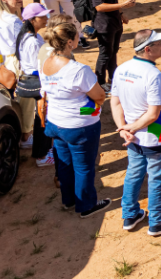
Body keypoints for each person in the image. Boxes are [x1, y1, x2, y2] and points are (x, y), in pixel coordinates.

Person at [111, 29, 161, 236]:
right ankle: (157, 222)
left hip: (134, 136)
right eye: (160, 43)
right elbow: (153, 114)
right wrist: (129, 129)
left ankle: (130, 215)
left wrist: (123, 128)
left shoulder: (122, 69)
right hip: (156, 135)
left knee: (134, 173)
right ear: (148, 49)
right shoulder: (154, 75)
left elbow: (115, 103)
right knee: (157, 178)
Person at [41, 18, 111, 217]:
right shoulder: (79, 70)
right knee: (84, 168)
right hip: (78, 125)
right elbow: (99, 96)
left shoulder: (46, 63)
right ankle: (86, 205)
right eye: (76, 35)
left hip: (55, 122)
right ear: (70, 42)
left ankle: (68, 200)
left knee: (64, 164)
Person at [15, 3, 54, 166]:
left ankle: (42, 152)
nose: (46, 19)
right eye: (42, 16)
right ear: (32, 19)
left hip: (35, 80)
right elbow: (38, 67)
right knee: (43, 118)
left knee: (41, 117)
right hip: (39, 82)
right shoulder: (32, 41)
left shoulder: (30, 36)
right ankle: (42, 155)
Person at [89, 0, 135, 87]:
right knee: (104, 54)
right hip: (103, 25)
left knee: (113, 51)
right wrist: (122, 5)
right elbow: (99, 6)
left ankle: (112, 77)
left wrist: (121, 15)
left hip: (115, 22)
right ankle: (100, 82)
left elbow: (112, 1)